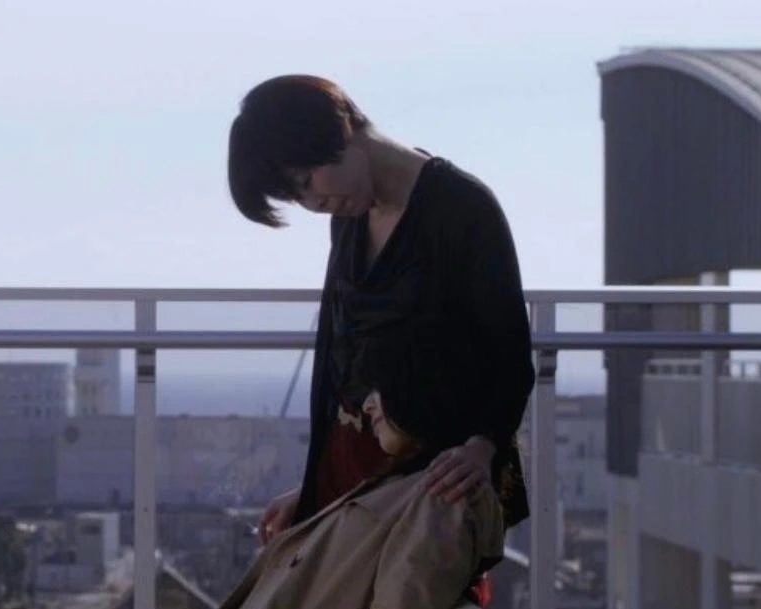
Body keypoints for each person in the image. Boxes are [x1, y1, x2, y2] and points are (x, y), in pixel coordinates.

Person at [226, 74, 535, 604]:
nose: (314, 203)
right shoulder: (350, 218)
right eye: (298, 195)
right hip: (359, 475)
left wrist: (481, 447)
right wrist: (315, 492)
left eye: (307, 180)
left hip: (437, 481)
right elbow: (349, 366)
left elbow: (509, 352)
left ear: (340, 130)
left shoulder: (461, 208)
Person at [217, 337, 505, 609]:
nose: (367, 406)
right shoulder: (401, 483)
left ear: (418, 390)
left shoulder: (445, 490)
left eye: (380, 389)